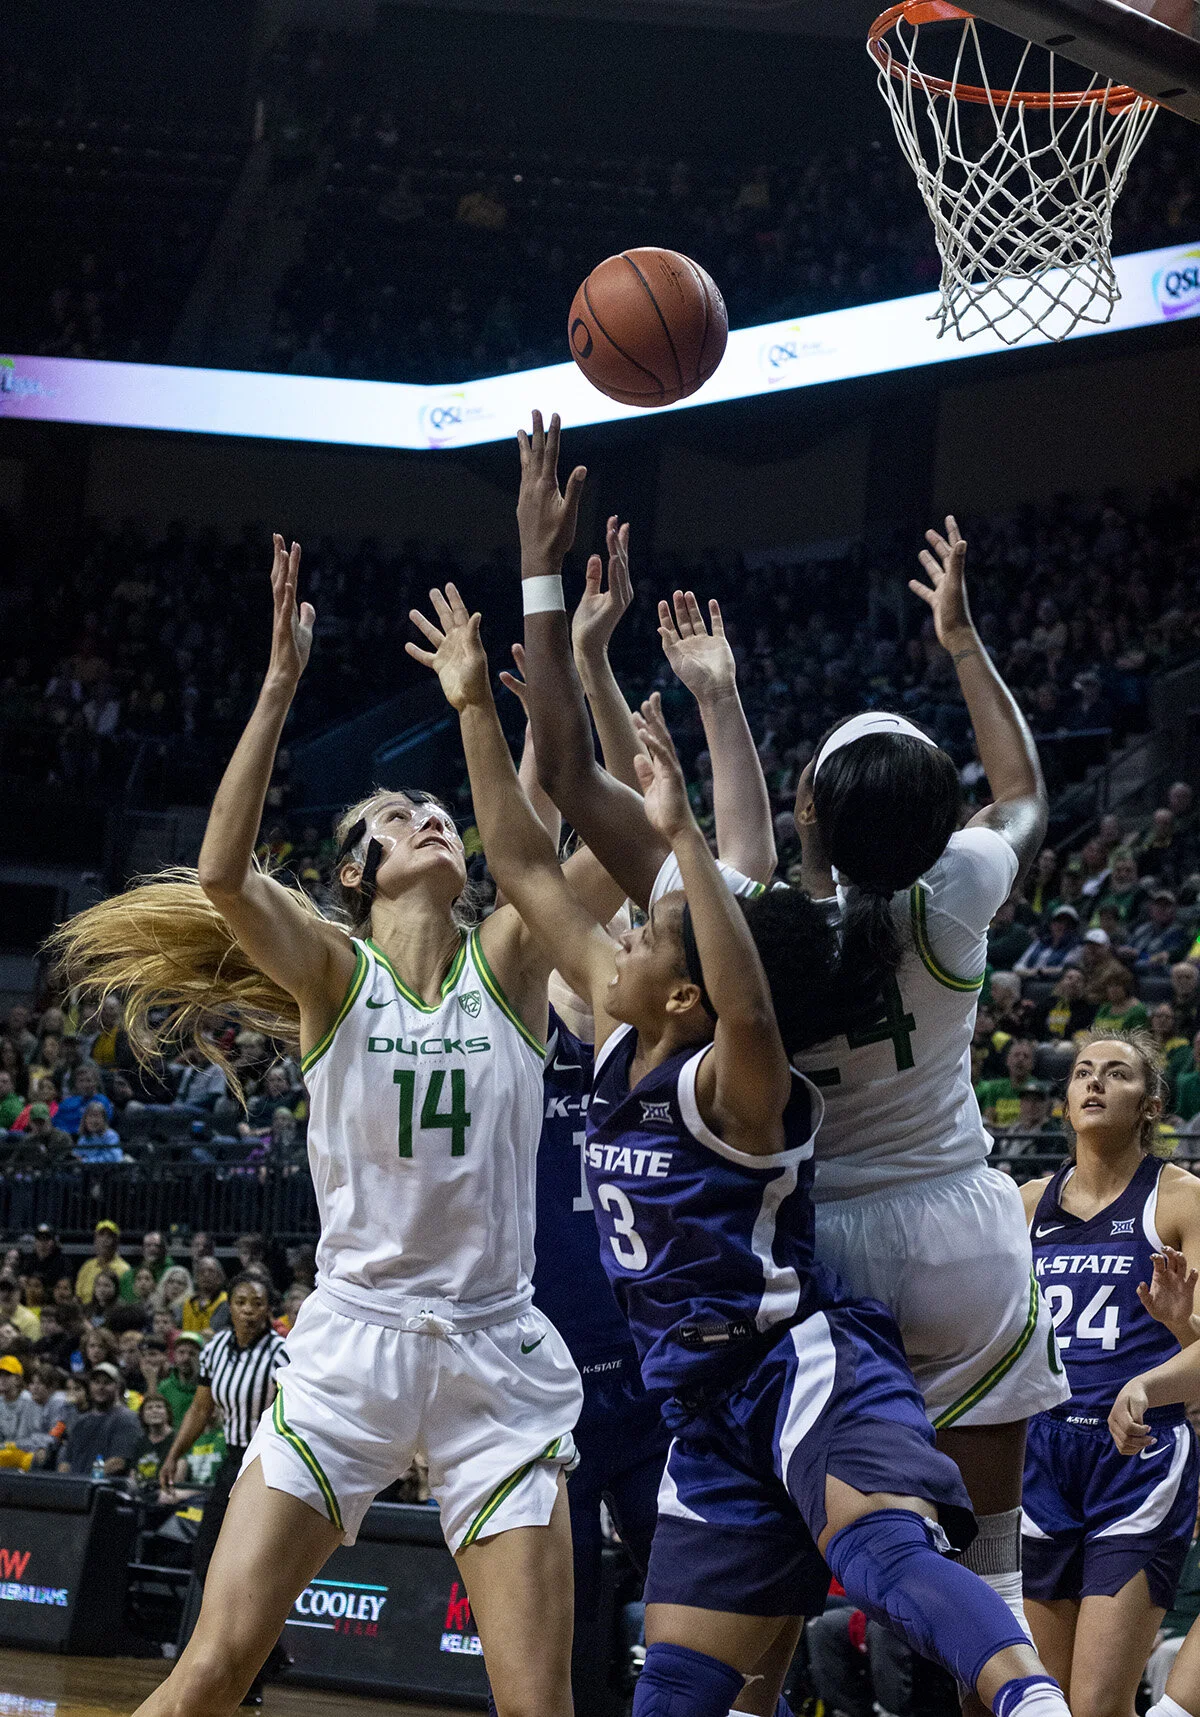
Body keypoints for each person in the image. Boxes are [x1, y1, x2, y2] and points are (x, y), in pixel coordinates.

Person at [410, 563, 1069, 1717]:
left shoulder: (754, 951)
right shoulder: (955, 888)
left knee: (793, 1591)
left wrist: (631, 683)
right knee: (984, 1562)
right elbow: (1018, 793)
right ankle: (1019, 1687)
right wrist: (961, 643)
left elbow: (612, 833)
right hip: (967, 1235)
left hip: (823, 1267)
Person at [50, 533, 590, 1717]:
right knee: (212, 1666)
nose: (430, 819)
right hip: (353, 1349)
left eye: (439, 810)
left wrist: (543, 661)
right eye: (400, 817)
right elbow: (226, 871)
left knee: (537, 1706)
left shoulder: (509, 962)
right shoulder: (333, 976)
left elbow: (547, 840)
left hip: (493, 1353)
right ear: (357, 871)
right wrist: (279, 685)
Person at [1019, 1031, 1200, 1717]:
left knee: (1096, 1702)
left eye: (1116, 1073)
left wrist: (1147, 1384)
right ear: (1065, 1099)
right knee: (1045, 1702)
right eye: (1082, 1072)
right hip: (1040, 1456)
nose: (1093, 1083)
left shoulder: (1180, 1199)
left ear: (1151, 1102)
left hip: (1137, 1456)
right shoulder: (1026, 1205)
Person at [161, 1275, 290, 1706]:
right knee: (206, 1559)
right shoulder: (214, 1350)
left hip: (269, 1461)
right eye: (241, 1302)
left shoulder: (281, 1352)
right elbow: (202, 1406)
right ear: (229, 1307)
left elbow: (285, 1411)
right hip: (232, 1460)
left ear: (269, 1309)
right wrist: (175, 1453)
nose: (250, 1309)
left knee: (250, 1570)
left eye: (258, 1302)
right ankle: (268, 1655)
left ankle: (251, 1674)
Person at [59, 1361, 142, 1476]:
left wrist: (88, 1480)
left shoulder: (127, 1418)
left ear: (118, 1386)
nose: (100, 1387)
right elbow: (66, 1462)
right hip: (77, 1485)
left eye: (107, 1383)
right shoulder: (80, 1422)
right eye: (96, 1382)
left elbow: (118, 1462)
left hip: (105, 1488)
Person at [1033, 968, 1095, 1043]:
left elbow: (1082, 1032)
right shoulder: (1049, 1002)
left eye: (1079, 980)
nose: (1073, 982)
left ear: (1084, 986)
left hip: (1070, 1045)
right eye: (1069, 978)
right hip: (1044, 1043)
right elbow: (1036, 1027)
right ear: (1061, 982)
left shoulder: (1088, 1008)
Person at [1014, 907, 1081, 977]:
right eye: (1058, 921)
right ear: (1051, 924)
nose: (1062, 926)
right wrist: (1030, 972)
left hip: (1051, 982)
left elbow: (1064, 970)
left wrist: (1041, 972)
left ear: (1073, 928)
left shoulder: (1075, 947)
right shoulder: (1040, 942)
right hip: (1027, 977)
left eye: (1068, 924)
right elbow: (1019, 965)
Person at [75, 1220, 130, 1302]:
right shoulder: (87, 1266)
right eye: (101, 1235)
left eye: (109, 1236)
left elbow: (126, 1300)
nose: (105, 1240)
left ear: (116, 1242)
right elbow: (78, 1296)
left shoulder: (125, 1270)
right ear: (95, 1240)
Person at [159, 1329, 205, 1427]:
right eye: (181, 1352)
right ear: (174, 1355)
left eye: (192, 1354)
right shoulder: (164, 1388)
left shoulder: (207, 1389)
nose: (186, 1358)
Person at [133, 1393, 178, 1490]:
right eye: (149, 1408)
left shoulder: (177, 1440)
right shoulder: (139, 1442)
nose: (154, 1410)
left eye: (159, 1407)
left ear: (168, 1413)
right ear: (142, 1415)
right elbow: (132, 1474)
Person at [182, 1256, 230, 1333]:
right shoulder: (189, 1303)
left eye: (211, 1271)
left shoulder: (226, 1301)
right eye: (201, 1271)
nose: (206, 1274)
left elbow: (213, 1332)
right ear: (196, 1277)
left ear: (220, 1277)